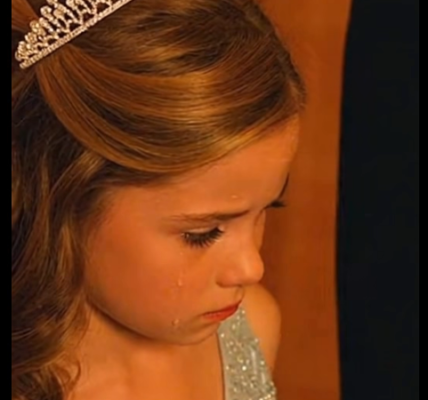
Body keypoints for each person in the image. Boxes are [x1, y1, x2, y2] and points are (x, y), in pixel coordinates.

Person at [11, 0, 306, 399]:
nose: (251, 267)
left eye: (266, 209)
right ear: (66, 200)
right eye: (203, 234)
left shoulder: (254, 324)